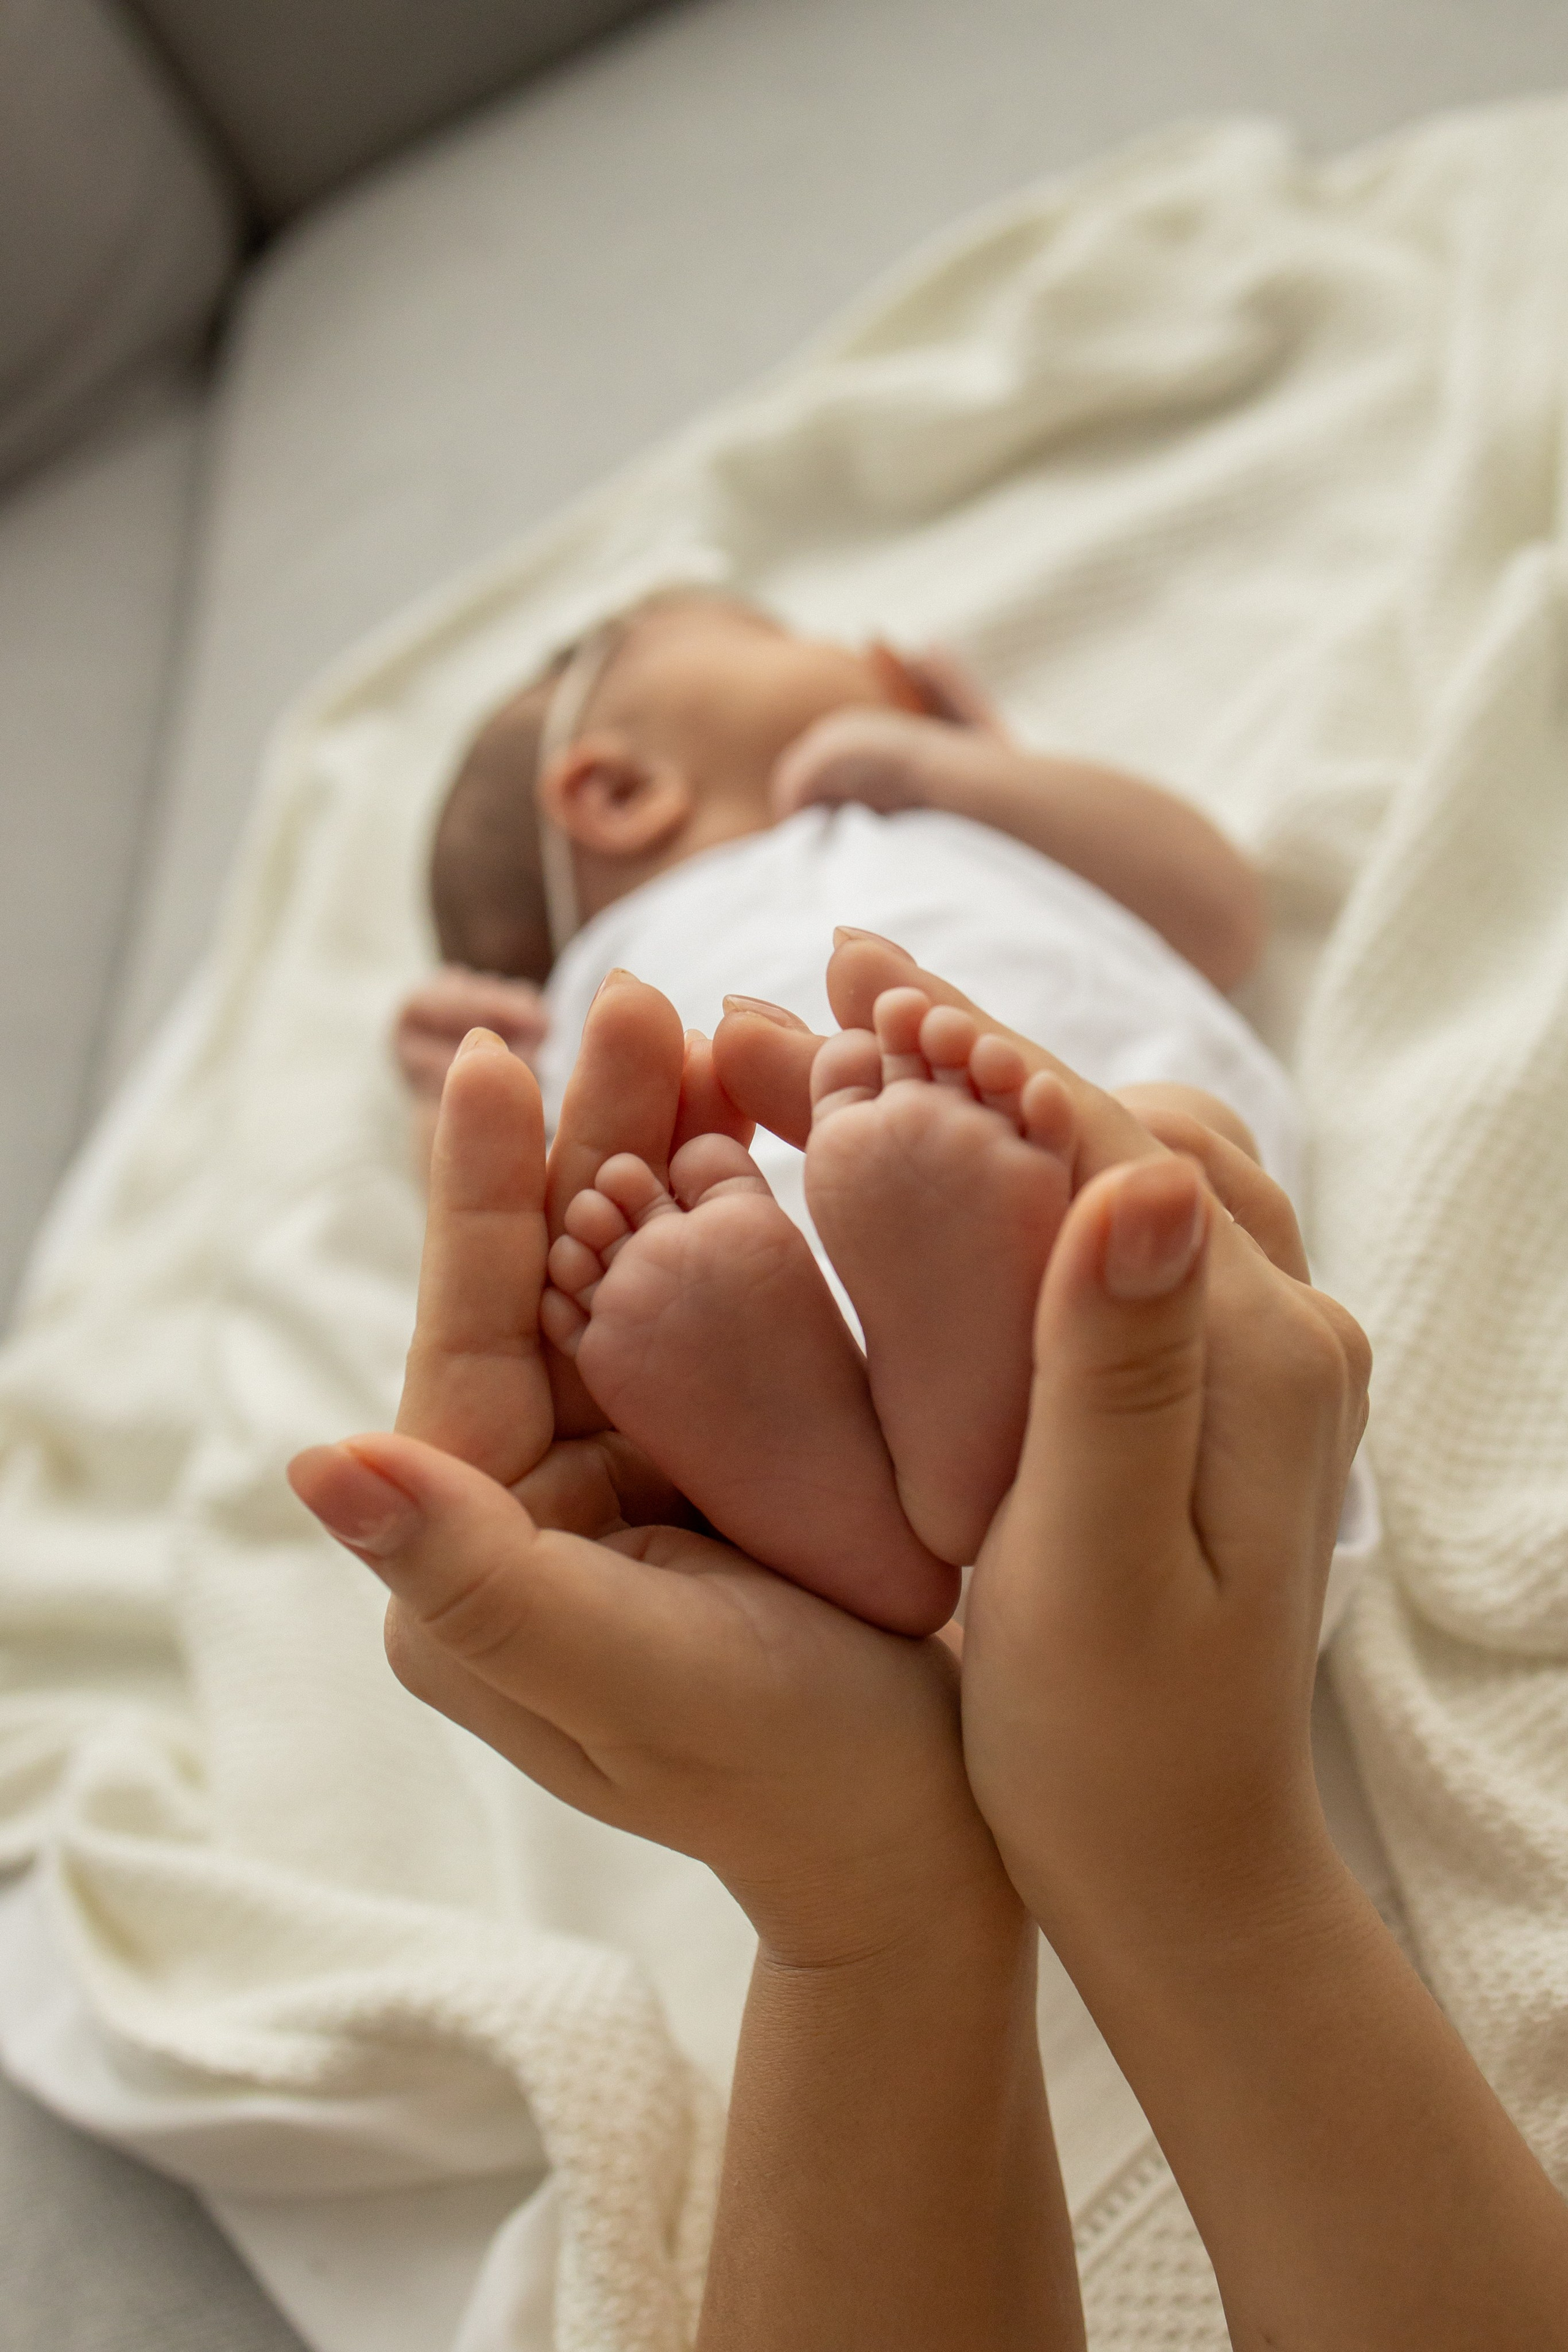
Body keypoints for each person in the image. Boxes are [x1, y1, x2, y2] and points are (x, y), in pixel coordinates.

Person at [290, 936, 1568, 2349]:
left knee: (1141, 1156)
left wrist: (863, 1895)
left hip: (841, 1196)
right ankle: (988, 1428)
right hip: (1028, 1240)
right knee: (1157, 1178)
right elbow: (1208, 906)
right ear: (600, 793)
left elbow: (1203, 908)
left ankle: (912, 1484)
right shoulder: (598, 934)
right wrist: (1187, 1854)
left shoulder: (736, 915)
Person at [395, 589, 1273, 1179]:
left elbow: (1221, 917)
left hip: (1149, 1162)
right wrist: (459, 1105)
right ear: (623, 793)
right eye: (772, 636)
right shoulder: (599, 1021)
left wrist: (978, 774)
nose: (841, 641)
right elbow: (497, 1248)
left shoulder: (947, 815)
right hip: (810, 1270)